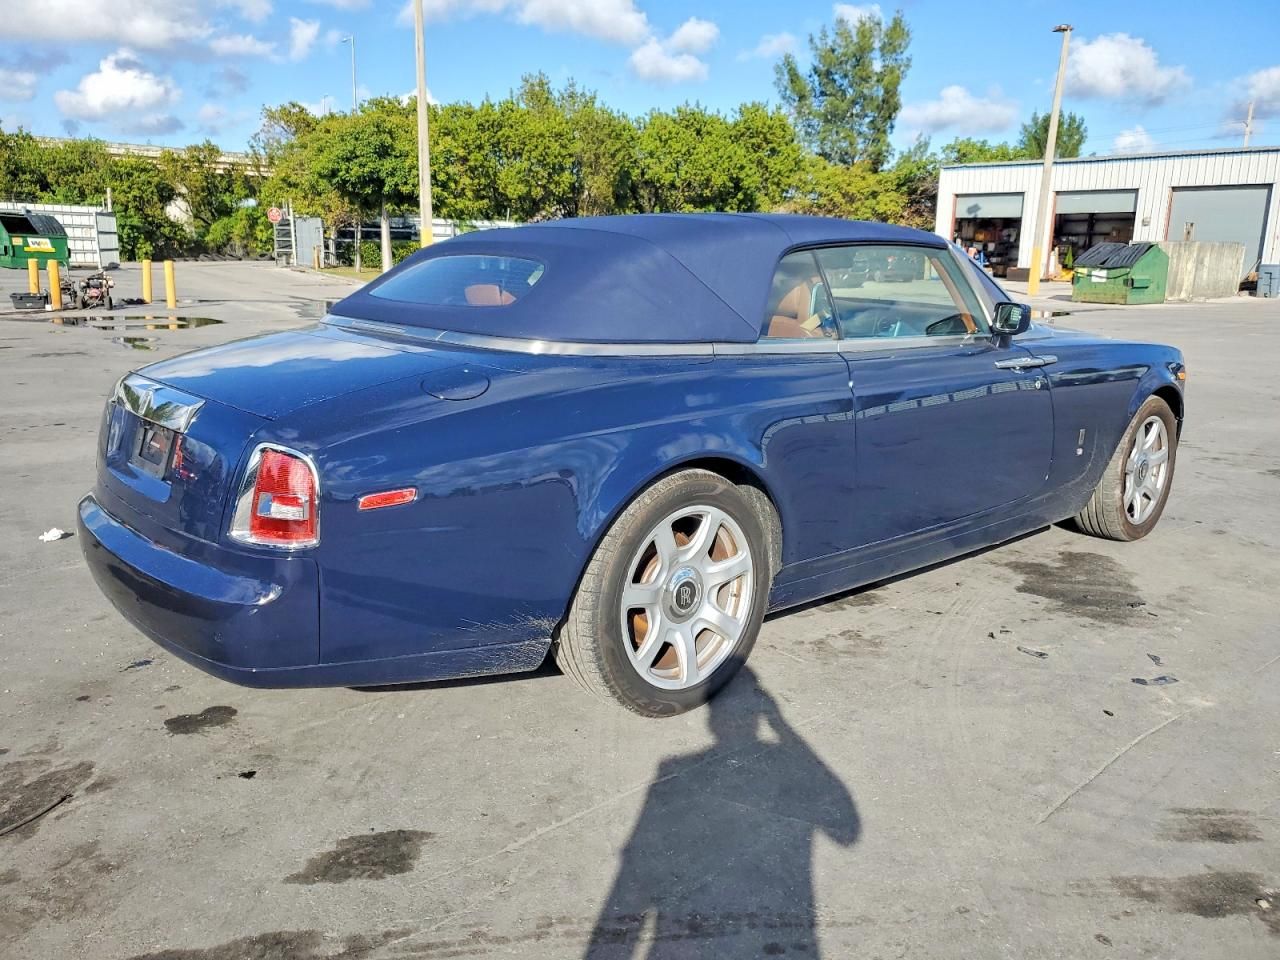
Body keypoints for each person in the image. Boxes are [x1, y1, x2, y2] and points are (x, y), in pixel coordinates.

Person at [584, 665, 860, 959]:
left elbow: (632, 871)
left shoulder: (673, 769)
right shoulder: (678, 768)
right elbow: (847, 831)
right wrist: (780, 724)